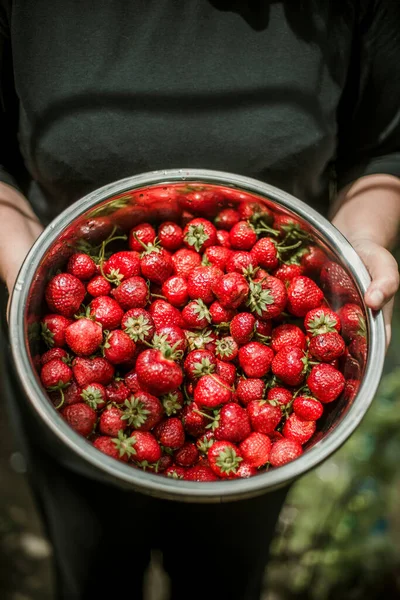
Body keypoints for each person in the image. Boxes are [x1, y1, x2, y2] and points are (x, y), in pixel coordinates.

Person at [0, 1, 399, 599]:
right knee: (91, 575)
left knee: (223, 579)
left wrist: (362, 239)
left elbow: (384, 151)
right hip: (65, 398)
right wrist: (22, 263)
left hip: (239, 446)